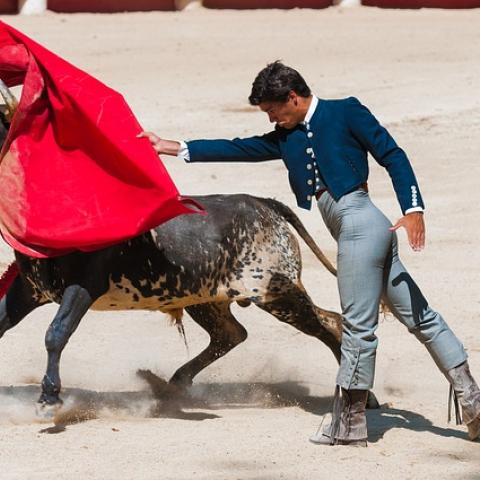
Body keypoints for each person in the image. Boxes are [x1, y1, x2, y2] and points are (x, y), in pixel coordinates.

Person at [138, 61, 480, 446]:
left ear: (293, 97)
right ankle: (474, 401)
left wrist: (413, 208)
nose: (272, 118)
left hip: (359, 228)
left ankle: (349, 424)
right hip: (368, 230)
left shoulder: (345, 110)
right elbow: (238, 148)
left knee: (358, 328)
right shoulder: (287, 136)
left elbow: (392, 154)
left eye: (273, 110)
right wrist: (171, 146)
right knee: (421, 317)